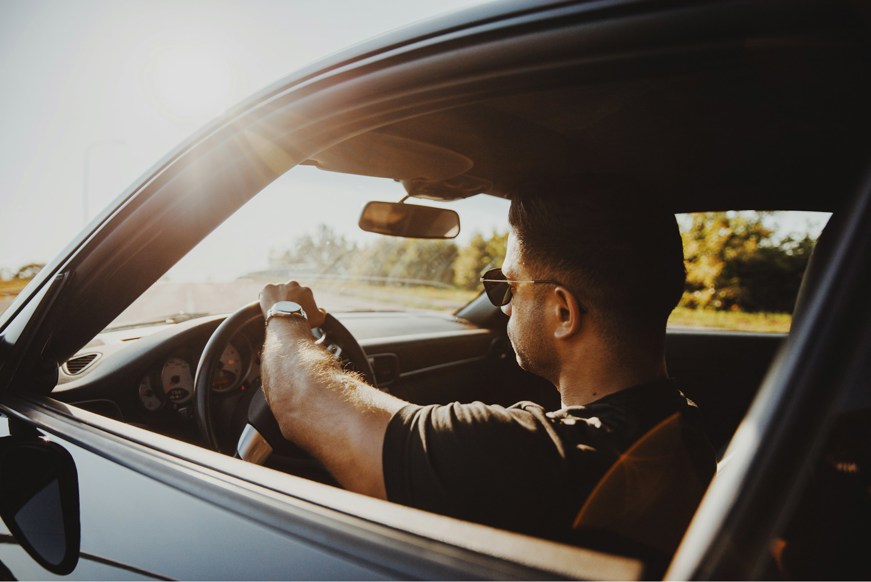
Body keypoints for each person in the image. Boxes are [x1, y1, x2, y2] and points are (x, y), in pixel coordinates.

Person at [258, 176, 716, 549]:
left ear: (562, 312)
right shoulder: (683, 426)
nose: (503, 306)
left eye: (508, 285)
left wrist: (284, 315)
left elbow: (300, 401)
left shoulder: (527, 457)